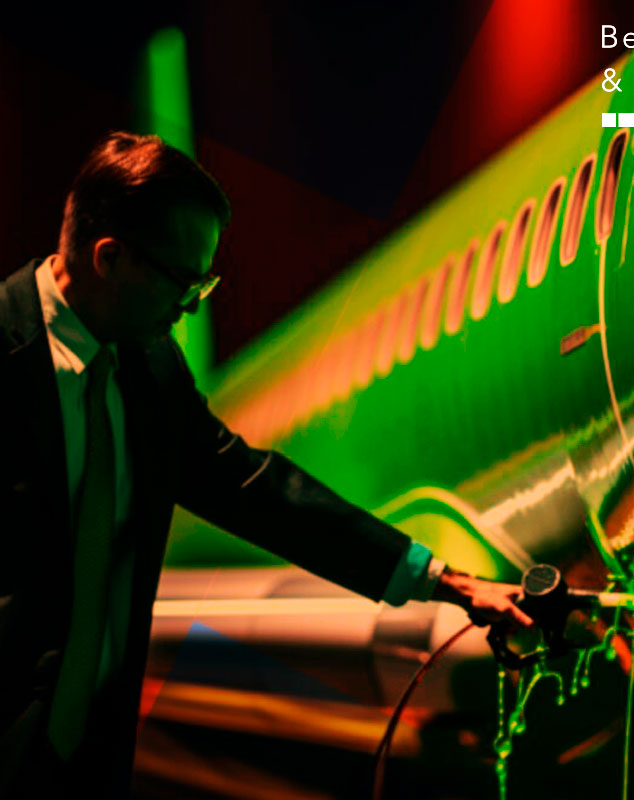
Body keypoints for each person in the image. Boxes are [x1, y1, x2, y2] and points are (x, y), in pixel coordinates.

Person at [0, 131, 533, 798]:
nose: (191, 307)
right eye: (183, 283)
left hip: (91, 759)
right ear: (109, 258)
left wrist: (447, 582)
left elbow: (256, 491)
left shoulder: (150, 368)